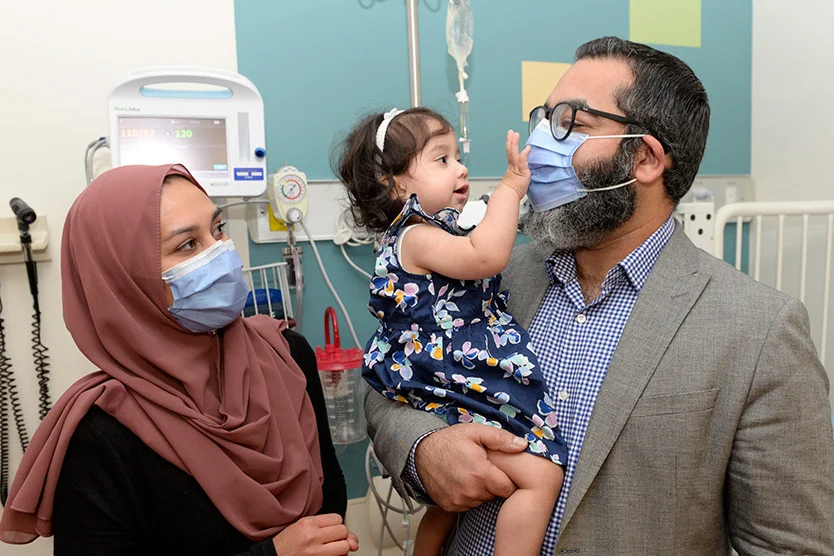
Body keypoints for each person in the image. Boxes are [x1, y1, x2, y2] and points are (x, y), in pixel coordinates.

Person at [366, 36, 834, 554]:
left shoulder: (760, 332)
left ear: (645, 158)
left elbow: (790, 544)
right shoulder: (491, 279)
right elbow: (391, 381)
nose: (539, 142)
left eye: (571, 123)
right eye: (544, 118)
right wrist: (423, 448)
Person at [0, 164, 359, 556]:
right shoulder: (101, 438)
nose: (221, 253)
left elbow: (331, 497)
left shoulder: (287, 354)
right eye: (188, 245)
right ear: (126, 281)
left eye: (218, 229)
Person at [337, 107, 566, 555]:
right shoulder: (416, 236)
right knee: (542, 476)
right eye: (442, 159)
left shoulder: (429, 231)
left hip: (434, 372)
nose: (460, 169)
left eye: (458, 157)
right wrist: (511, 189)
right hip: (447, 373)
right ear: (394, 185)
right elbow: (486, 256)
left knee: (448, 505)